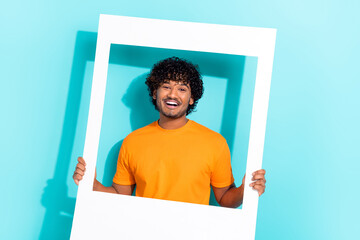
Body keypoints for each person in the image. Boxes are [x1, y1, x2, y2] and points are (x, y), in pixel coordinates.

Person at [73, 57, 266, 208]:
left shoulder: (214, 143)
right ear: (155, 93)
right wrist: (92, 184)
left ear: (191, 99)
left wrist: (245, 190)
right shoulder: (132, 142)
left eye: (182, 89)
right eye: (166, 86)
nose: (172, 94)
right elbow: (120, 198)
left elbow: (224, 199)